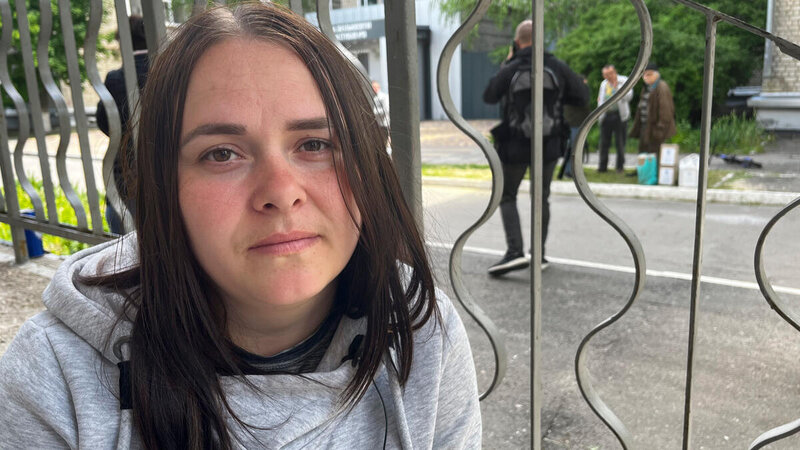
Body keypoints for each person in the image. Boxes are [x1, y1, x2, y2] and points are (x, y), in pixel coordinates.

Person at [0, 3, 481, 448]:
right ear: (163, 187)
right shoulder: (54, 375)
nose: (280, 190)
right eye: (221, 154)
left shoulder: (421, 330)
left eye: (315, 144)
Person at [483, 19, 589, 276]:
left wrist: (508, 63)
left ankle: (515, 251)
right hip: (550, 143)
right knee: (541, 196)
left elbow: (489, 96)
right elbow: (583, 97)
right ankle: (538, 255)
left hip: (514, 145)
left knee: (507, 195)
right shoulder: (556, 66)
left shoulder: (512, 67)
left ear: (517, 42)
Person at [96, 15, 149, 235]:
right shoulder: (167, 72)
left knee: (124, 239)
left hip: (126, 173)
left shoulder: (116, 78)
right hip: (166, 169)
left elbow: (103, 121)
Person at [630, 62, 676, 166]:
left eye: (649, 74)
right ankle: (642, 170)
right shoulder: (646, 88)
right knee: (643, 149)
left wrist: (660, 129)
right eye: (644, 74)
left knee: (655, 151)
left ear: (657, 75)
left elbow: (666, 111)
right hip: (645, 125)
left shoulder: (661, 87)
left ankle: (653, 173)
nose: (646, 77)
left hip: (656, 126)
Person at [597, 64, 633, 173]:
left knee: (620, 142)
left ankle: (619, 167)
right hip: (606, 115)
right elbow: (600, 99)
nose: (607, 77)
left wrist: (617, 86)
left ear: (614, 72)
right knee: (604, 143)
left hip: (619, 116)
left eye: (609, 74)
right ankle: (602, 167)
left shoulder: (624, 80)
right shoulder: (603, 84)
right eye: (605, 75)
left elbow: (629, 97)